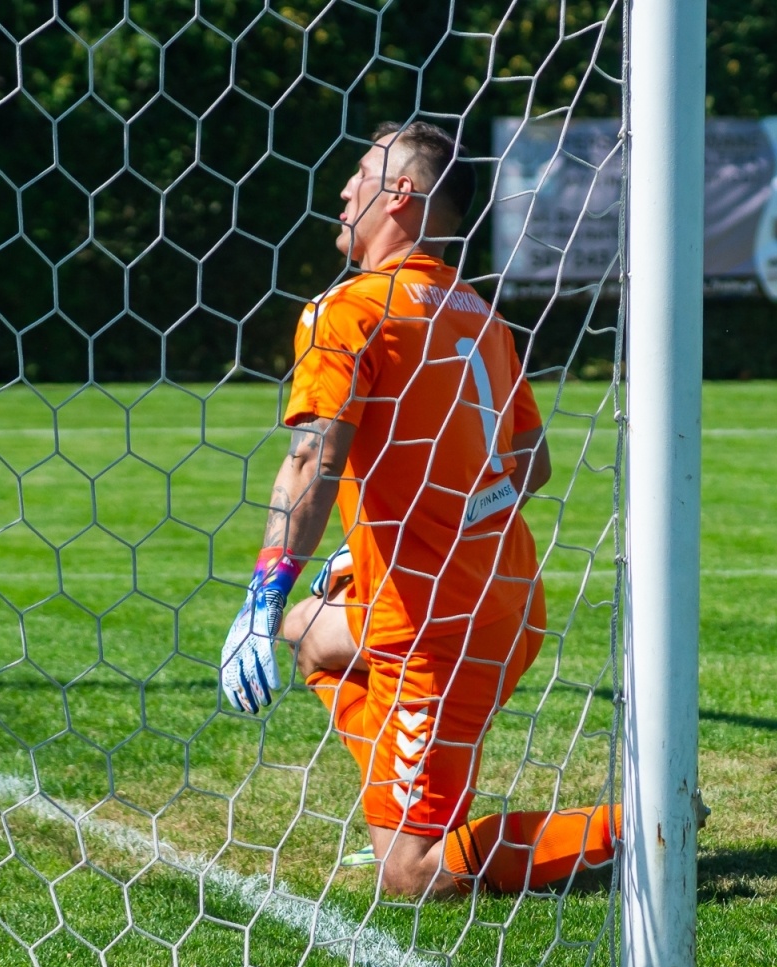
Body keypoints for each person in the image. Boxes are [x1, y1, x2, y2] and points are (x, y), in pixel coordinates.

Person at [218, 121, 621, 899]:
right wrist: (406, 530)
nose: (342, 192)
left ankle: (637, 825)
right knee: (314, 636)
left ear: (400, 195)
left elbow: (312, 460)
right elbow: (530, 465)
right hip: (505, 602)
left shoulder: (349, 311)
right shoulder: (480, 314)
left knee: (413, 876)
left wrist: (261, 597)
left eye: (359, 174)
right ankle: (396, 801)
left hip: (434, 633)